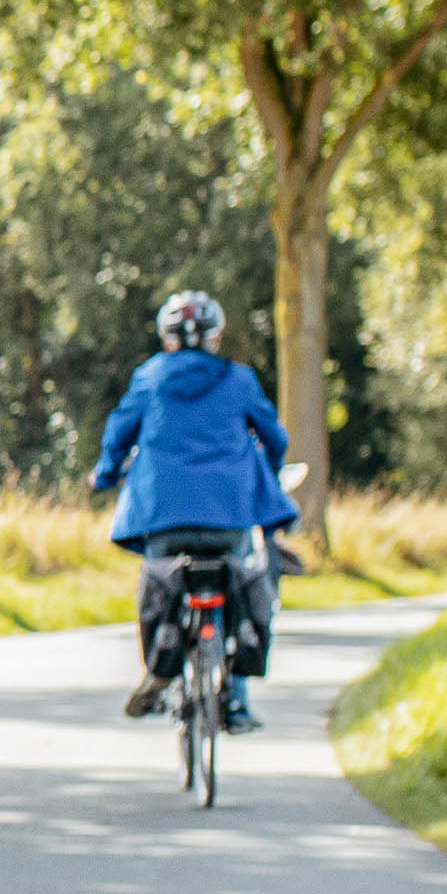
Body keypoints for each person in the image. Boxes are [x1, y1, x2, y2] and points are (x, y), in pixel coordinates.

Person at [96, 289, 298, 731]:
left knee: (160, 581)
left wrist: (106, 474)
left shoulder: (149, 377)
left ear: (167, 338)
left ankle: (161, 670)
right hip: (230, 512)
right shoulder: (240, 379)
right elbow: (275, 438)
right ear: (215, 338)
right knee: (241, 580)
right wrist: (273, 469)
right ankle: (237, 702)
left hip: (163, 513)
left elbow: (118, 434)